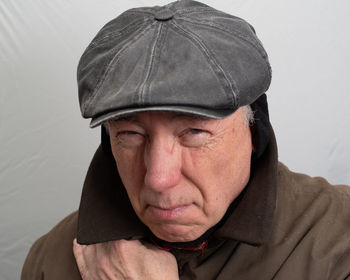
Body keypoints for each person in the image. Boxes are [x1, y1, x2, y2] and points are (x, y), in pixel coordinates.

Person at [21, 0, 350, 279]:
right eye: (131, 134)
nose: (159, 179)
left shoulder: (339, 238)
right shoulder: (49, 260)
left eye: (194, 132)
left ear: (254, 130)